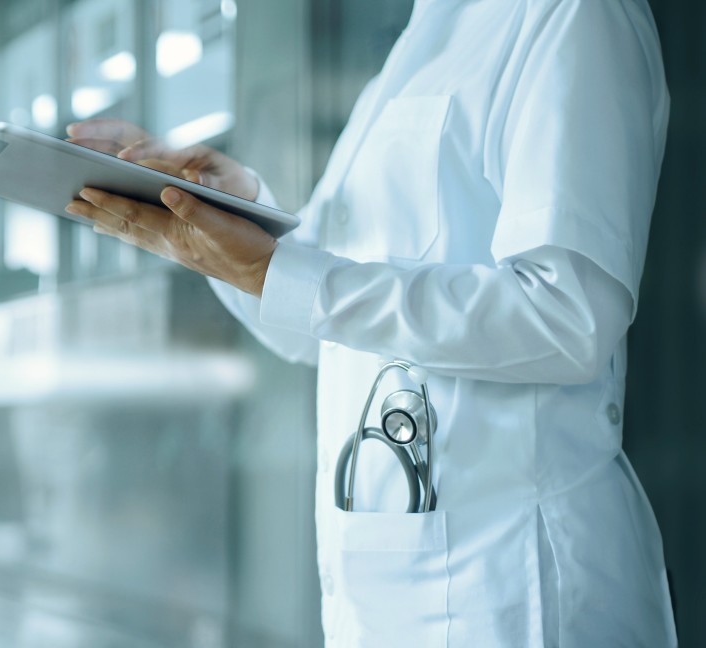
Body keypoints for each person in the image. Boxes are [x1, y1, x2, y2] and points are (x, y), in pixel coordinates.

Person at [63, 0, 676, 645]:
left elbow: (566, 318)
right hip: (384, 598)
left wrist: (279, 273)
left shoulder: (571, 15)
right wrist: (234, 226)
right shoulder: (417, 46)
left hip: (513, 591)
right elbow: (314, 327)